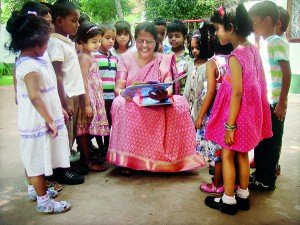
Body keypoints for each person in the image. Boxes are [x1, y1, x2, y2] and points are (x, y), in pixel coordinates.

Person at [106, 22, 205, 176]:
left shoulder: (162, 59)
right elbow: (119, 87)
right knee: (119, 102)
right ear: (135, 40)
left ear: (156, 43)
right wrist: (126, 94)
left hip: (155, 101)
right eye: (140, 41)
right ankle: (127, 159)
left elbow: (169, 86)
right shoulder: (125, 58)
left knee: (179, 103)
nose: (144, 45)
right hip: (133, 101)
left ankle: (175, 159)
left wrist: (163, 94)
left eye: (149, 42)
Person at [204, 4, 272, 215]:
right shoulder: (252, 49)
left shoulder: (235, 56)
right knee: (242, 155)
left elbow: (237, 92)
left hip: (236, 117)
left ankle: (228, 200)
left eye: (217, 28)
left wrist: (230, 125)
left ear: (230, 27)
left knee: (227, 156)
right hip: (250, 116)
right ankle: (243, 195)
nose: (216, 33)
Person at [7, 13, 71, 214]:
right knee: (36, 161)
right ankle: (44, 202)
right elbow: (35, 96)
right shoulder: (29, 66)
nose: (46, 46)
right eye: (45, 42)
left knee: (33, 156)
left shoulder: (34, 59)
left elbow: (47, 90)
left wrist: (57, 107)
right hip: (38, 119)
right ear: (35, 42)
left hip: (41, 115)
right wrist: (50, 120)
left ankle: (33, 191)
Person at [186, 24, 233, 195]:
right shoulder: (232, 59)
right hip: (230, 112)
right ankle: (231, 184)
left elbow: (211, 92)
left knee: (217, 154)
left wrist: (200, 116)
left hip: (214, 113)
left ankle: (217, 184)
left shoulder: (212, 63)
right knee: (227, 152)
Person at [249, 1, 291, 191]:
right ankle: (259, 175)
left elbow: (286, 72)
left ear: (267, 20)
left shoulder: (277, 41)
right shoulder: (266, 42)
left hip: (274, 103)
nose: (252, 26)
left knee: (271, 143)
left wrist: (282, 103)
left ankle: (267, 180)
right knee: (262, 140)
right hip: (264, 102)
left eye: (254, 22)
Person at [47, 0, 85, 184]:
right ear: (60, 21)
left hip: (74, 94)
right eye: (74, 20)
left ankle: (66, 163)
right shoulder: (55, 43)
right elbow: (58, 75)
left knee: (71, 133)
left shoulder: (66, 42)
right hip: (66, 96)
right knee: (65, 133)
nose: (77, 24)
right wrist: (63, 103)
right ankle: (61, 170)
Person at [75, 21, 110, 172]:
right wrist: (87, 104)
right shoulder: (84, 57)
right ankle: (86, 161)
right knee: (84, 130)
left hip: (95, 99)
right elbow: (82, 81)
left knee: (88, 129)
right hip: (88, 100)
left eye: (98, 41)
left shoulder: (90, 55)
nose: (97, 45)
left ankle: (88, 157)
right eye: (93, 41)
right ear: (82, 41)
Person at [94, 24, 117, 153]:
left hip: (111, 97)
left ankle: (107, 148)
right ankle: (100, 148)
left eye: (113, 38)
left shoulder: (114, 57)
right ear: (99, 37)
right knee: (99, 123)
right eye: (107, 37)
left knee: (109, 122)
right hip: (99, 97)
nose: (111, 41)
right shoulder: (94, 56)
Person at [166, 20, 193, 95]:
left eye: (177, 36)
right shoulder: (165, 56)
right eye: (170, 36)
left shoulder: (190, 56)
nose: (173, 39)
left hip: (185, 96)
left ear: (184, 38)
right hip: (169, 96)